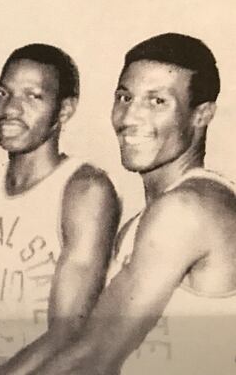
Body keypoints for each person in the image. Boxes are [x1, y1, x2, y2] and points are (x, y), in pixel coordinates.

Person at [34, 33, 236, 375]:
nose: (130, 117)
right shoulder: (140, 224)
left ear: (201, 115)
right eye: (124, 97)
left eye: (157, 102)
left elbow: (92, 357)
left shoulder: (190, 208)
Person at [0, 44, 121, 375]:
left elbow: (68, 332)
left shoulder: (85, 190)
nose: (11, 109)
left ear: (64, 110)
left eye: (32, 96)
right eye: (3, 93)